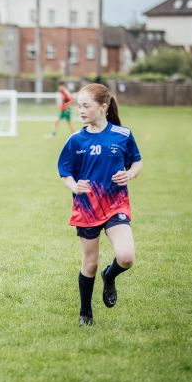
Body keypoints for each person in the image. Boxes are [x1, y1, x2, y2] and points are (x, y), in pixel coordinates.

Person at [57, 83, 143, 327]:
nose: (81, 111)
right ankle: (85, 312)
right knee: (90, 264)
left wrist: (130, 174)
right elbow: (65, 172)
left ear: (103, 107)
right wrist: (74, 186)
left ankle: (110, 274)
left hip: (116, 205)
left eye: (86, 106)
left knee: (126, 257)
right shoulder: (76, 140)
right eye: (79, 106)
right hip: (87, 208)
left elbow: (137, 162)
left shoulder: (123, 135)